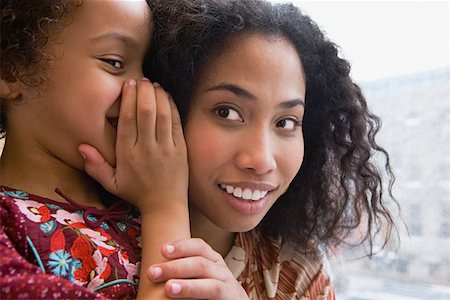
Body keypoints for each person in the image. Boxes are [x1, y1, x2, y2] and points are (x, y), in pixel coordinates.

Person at [137, 0, 399, 298]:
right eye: (227, 113)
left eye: (286, 122)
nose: (261, 160)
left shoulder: (299, 269)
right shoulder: (93, 244)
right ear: (166, 106)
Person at [0, 0, 194, 298]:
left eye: (146, 69)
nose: (143, 89)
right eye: (114, 62)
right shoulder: (7, 229)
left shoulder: (136, 200)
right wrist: (166, 206)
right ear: (11, 69)